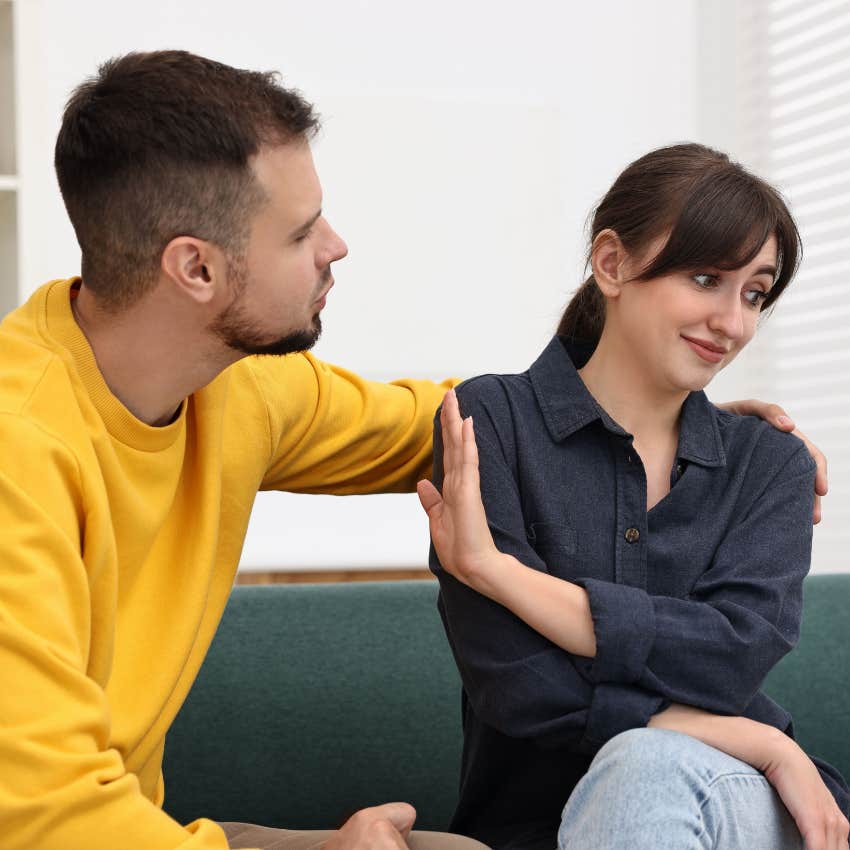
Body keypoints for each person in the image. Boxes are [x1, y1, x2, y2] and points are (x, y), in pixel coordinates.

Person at [0, 50, 827, 850]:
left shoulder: (242, 391)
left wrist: (689, 416)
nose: (336, 245)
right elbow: (49, 819)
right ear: (197, 269)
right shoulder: (19, 451)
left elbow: (485, 424)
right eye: (299, 233)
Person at [418, 144, 850, 850]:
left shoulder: (770, 463)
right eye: (706, 277)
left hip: (737, 805)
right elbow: (517, 684)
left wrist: (503, 575)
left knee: (648, 767)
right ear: (612, 263)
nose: (733, 322)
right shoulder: (488, 422)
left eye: (754, 293)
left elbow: (733, 658)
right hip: (537, 826)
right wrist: (754, 738)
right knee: (640, 766)